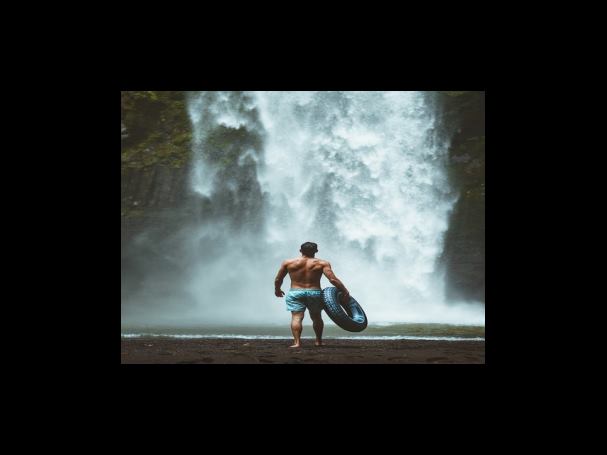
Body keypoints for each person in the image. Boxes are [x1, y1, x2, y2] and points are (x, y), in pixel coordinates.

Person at [274, 241, 350, 348]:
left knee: (296, 317)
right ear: (316, 251)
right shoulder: (322, 263)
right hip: (315, 293)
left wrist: (277, 289)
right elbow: (332, 279)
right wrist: (344, 290)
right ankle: (318, 341)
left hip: (296, 292)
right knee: (316, 317)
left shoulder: (288, 262)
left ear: (300, 251)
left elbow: (278, 279)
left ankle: (297, 343)